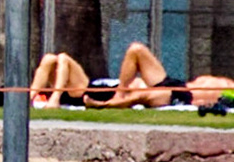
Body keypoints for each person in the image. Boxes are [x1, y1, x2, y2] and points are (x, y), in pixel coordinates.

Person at [78, 40, 234, 112]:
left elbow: (217, 104)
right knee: (136, 49)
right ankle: (118, 95)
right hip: (178, 85)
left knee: (143, 95)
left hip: (181, 97)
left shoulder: (231, 94)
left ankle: (105, 106)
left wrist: (200, 104)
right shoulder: (228, 84)